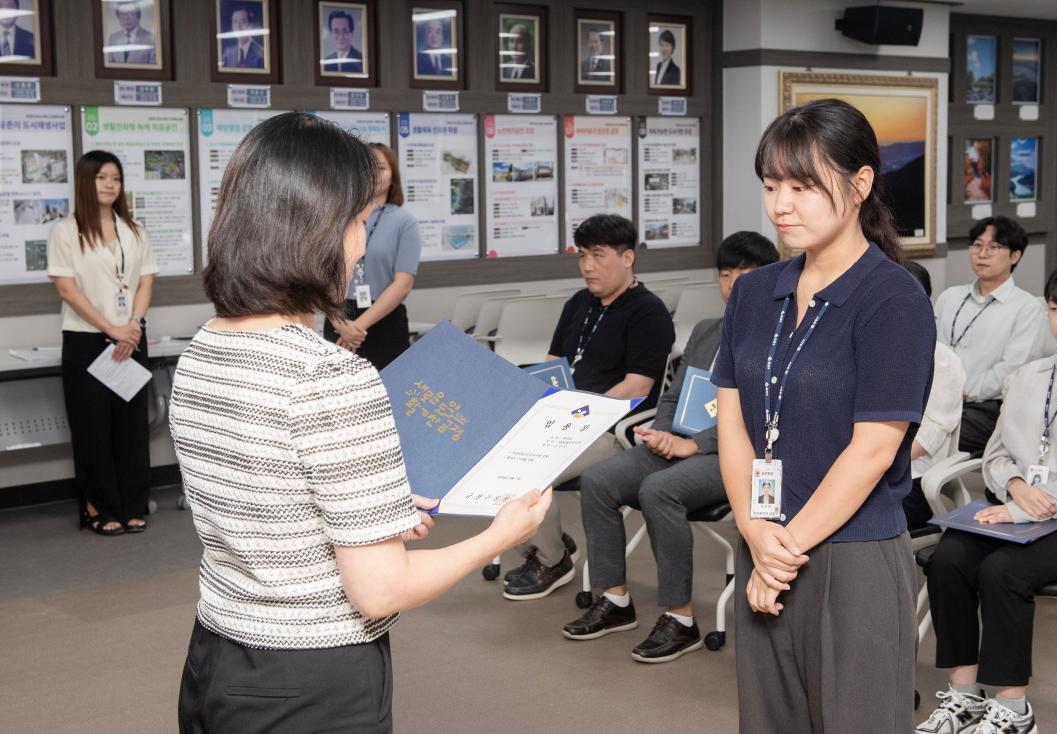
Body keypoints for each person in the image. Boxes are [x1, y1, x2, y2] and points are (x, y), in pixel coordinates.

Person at [172, 112, 550, 733]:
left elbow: (272, 493)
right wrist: (497, 537)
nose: (359, 243)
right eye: (355, 221)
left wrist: (375, 507)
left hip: (216, 655)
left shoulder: (204, 346)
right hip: (311, 680)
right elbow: (380, 591)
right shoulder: (330, 378)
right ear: (311, 231)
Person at [713, 98, 936, 732]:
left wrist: (779, 550)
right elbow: (731, 422)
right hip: (763, 543)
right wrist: (756, 532)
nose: (781, 204)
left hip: (853, 556)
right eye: (771, 186)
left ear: (861, 184)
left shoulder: (893, 297)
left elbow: (873, 450)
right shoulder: (756, 293)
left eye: (803, 186)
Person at [562, 231, 778, 663]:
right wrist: (662, 434)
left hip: (737, 456)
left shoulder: (778, 340)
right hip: (677, 443)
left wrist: (692, 446)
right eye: (725, 274)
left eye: (746, 275)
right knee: (600, 480)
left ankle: (680, 620)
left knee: (659, 491)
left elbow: (763, 419)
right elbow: (672, 395)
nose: (733, 285)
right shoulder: (706, 330)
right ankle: (616, 601)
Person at [918, 260, 1057, 734]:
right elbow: (995, 453)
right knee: (949, 558)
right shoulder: (1029, 376)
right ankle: (964, 697)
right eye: (1056, 307)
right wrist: (1016, 488)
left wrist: (1027, 505)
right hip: (1022, 505)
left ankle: (1014, 710)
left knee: (1003, 571)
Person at [503, 213, 675, 601]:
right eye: (582, 256)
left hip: (614, 428)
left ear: (627, 258)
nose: (587, 266)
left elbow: (637, 386)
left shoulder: (648, 312)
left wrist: (579, 411)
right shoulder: (578, 303)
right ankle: (540, 545)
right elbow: (552, 363)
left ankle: (552, 559)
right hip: (566, 418)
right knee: (505, 455)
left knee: (536, 466)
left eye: (597, 255)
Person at [47, 151, 158, 536]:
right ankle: (98, 507)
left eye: (115, 178)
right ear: (85, 182)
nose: (110, 184)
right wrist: (111, 328)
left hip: (130, 337)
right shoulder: (66, 231)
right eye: (100, 178)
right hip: (87, 339)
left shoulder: (134, 229)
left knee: (130, 428)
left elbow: (145, 280)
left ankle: (131, 505)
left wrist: (133, 325)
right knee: (92, 427)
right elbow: (66, 288)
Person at [934, 216, 1043, 456]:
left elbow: (1012, 369)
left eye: (993, 247)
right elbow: (933, 350)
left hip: (985, 409)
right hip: (937, 399)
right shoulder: (950, 298)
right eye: (977, 245)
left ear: (1015, 256)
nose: (982, 253)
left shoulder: (1026, 308)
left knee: (921, 434)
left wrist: (963, 389)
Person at [324, 143, 422, 369]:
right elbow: (324, 277)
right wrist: (340, 324)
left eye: (380, 167)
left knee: (389, 395)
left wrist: (356, 328)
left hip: (384, 323)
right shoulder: (337, 219)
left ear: (393, 175)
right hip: (339, 319)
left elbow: (403, 285)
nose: (373, 174)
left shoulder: (405, 222)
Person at [901, 259, 967, 530]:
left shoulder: (942, 362)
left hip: (912, 478)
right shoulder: (866, 351)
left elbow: (922, 443)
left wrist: (861, 468)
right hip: (859, 470)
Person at [221, 4, 264, 69]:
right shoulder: (227, 53)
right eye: (235, 22)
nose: (238, 27)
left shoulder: (261, 53)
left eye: (242, 22)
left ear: (251, 25)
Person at [323, 9, 363, 74]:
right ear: (331, 34)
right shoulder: (325, 62)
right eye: (336, 31)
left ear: (352, 33)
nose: (340, 36)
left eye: (345, 31)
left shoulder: (362, 61)